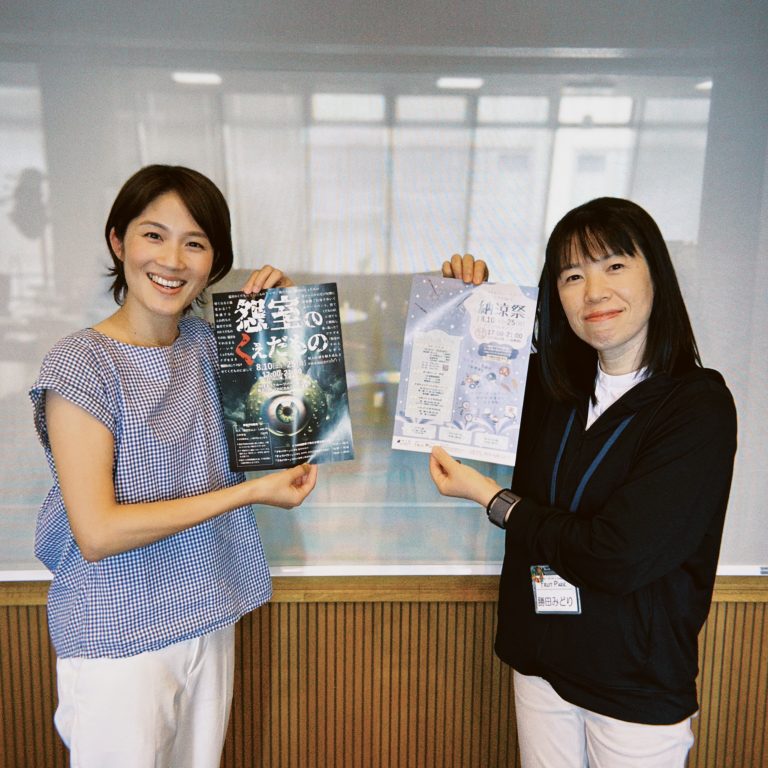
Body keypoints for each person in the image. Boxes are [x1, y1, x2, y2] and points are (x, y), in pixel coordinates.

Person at [429, 197, 737, 767]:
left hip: (632, 686)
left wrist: (496, 501)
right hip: (540, 666)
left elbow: (618, 555)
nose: (594, 291)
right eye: (573, 275)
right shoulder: (553, 392)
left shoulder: (697, 406)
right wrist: (465, 306)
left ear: (655, 275)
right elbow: (464, 390)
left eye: (614, 265)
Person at [30, 165, 318, 767]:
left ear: (214, 262)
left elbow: (291, 429)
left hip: (208, 610)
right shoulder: (81, 363)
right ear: (119, 242)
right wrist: (245, 494)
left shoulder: (207, 345)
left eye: (195, 243)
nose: (172, 260)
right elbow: (97, 532)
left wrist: (284, 318)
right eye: (153, 235)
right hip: (117, 632)